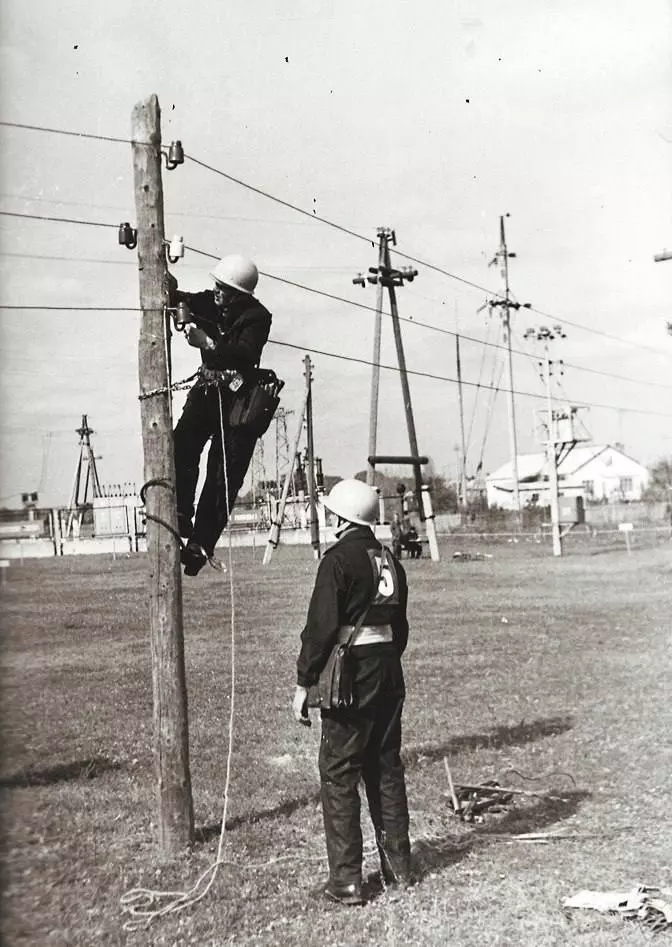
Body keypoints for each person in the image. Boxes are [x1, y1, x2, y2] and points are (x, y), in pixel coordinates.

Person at [293, 479, 413, 906]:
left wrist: (304, 682)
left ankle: (346, 881)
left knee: (339, 774)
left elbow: (321, 629)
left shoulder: (337, 562)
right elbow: (399, 630)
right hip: (388, 674)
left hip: (351, 682)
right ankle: (399, 868)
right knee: (385, 769)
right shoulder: (389, 560)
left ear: (340, 518)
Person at [169, 255, 272, 576]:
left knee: (222, 474)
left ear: (239, 293)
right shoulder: (208, 302)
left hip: (239, 401)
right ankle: (180, 511)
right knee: (182, 444)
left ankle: (201, 544)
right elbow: (177, 297)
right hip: (207, 392)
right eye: (216, 285)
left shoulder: (257, 317)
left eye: (223, 289)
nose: (216, 292)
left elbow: (245, 353)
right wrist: (166, 278)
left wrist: (207, 342)